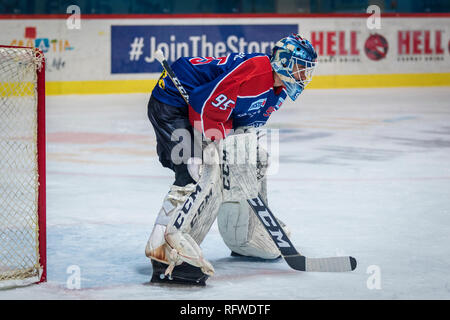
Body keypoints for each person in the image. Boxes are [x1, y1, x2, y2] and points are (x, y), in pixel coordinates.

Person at [145, 33, 318, 285]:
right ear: (282, 61)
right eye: (299, 68)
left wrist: (240, 149)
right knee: (195, 170)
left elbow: (242, 127)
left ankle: (245, 238)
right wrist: (214, 143)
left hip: (198, 105)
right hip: (172, 102)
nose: (304, 76)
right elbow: (202, 105)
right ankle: (164, 253)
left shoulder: (279, 91)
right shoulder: (257, 70)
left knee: (252, 159)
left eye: (307, 71)